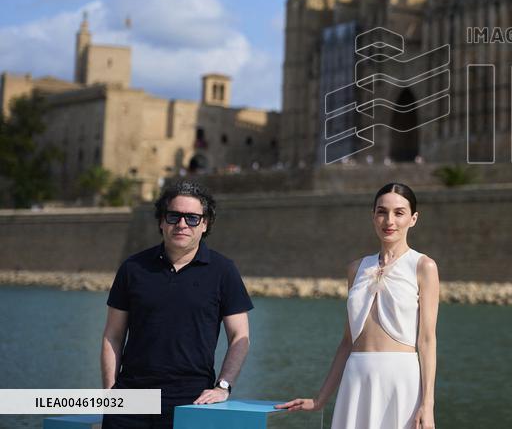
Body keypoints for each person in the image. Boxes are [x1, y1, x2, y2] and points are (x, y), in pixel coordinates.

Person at [278, 182, 440, 428]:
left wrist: (427, 405)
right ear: (373, 216)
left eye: (399, 212)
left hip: (401, 381)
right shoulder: (356, 269)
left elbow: (427, 340)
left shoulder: (423, 266)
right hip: (356, 379)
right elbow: (347, 341)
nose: (389, 221)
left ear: (413, 218)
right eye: (382, 212)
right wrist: (320, 399)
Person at [100, 181, 253, 428]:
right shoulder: (133, 268)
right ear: (162, 221)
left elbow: (240, 336)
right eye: (174, 216)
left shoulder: (223, 271)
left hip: (192, 400)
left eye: (192, 218)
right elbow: (113, 335)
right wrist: (110, 392)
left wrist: (223, 386)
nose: (182, 224)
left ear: (205, 224)